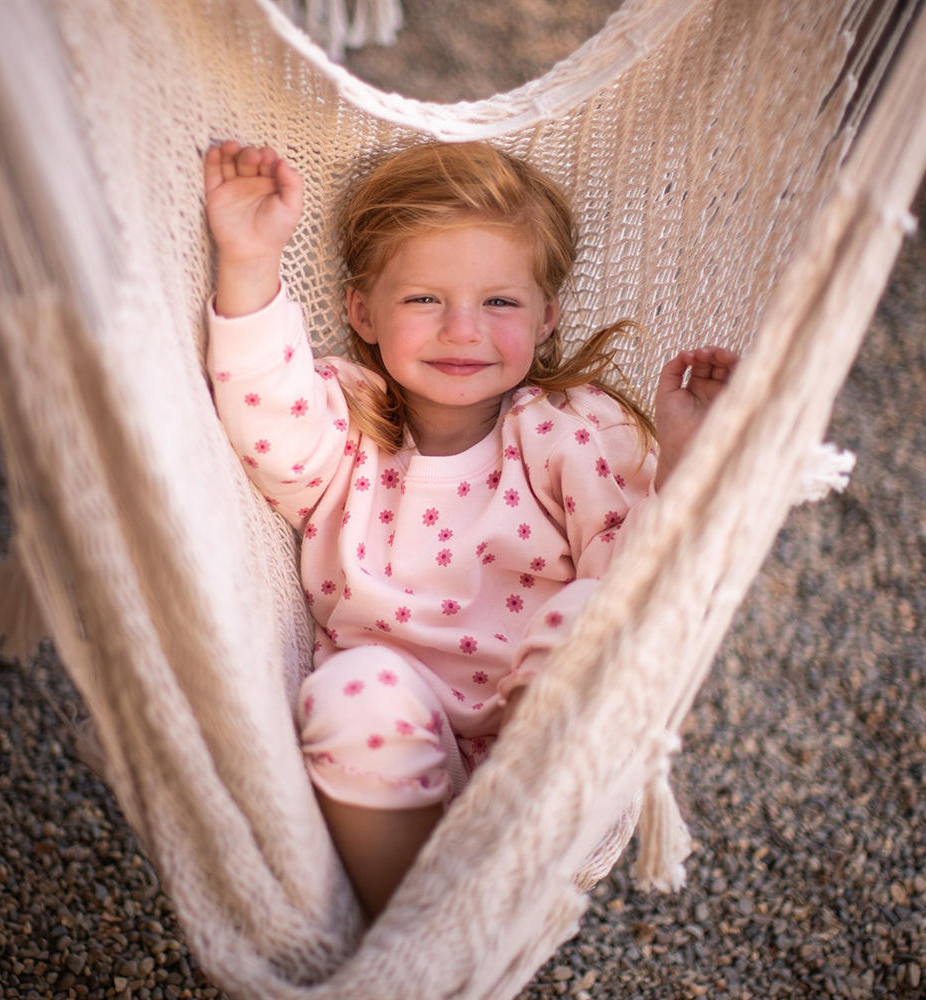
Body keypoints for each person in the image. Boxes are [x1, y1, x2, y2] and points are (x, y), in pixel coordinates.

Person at [204, 139, 738, 917]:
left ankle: (507, 839)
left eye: (499, 303)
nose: (463, 329)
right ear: (363, 312)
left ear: (546, 318)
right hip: (390, 760)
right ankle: (420, 937)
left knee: (591, 615)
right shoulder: (348, 426)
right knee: (350, 690)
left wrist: (690, 468)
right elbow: (266, 419)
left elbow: (642, 576)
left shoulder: (572, 431)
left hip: (544, 758)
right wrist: (249, 263)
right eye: (423, 300)